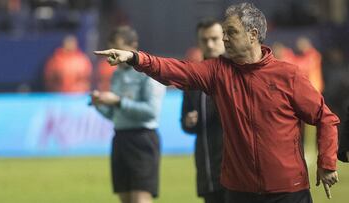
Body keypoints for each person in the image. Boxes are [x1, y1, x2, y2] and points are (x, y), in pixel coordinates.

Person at [94, 3, 339, 203]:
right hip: (238, 192)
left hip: (289, 192)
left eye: (231, 32)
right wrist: (135, 58)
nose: (224, 39)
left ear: (253, 35)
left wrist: (326, 164)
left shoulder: (288, 75)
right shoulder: (217, 71)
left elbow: (325, 118)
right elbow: (175, 69)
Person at [90, 26, 166, 203]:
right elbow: (115, 115)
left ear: (133, 46)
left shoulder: (149, 73)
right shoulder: (116, 74)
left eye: (117, 48)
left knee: (140, 199)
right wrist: (100, 104)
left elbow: (151, 111)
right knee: (125, 199)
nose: (112, 54)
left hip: (143, 139)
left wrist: (117, 101)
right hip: (120, 138)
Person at [180, 18, 226, 203]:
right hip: (207, 169)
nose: (210, 44)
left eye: (214, 38)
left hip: (238, 175)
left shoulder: (239, 74)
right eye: (204, 40)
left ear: (225, 38)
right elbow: (185, 121)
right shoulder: (193, 78)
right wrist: (189, 122)